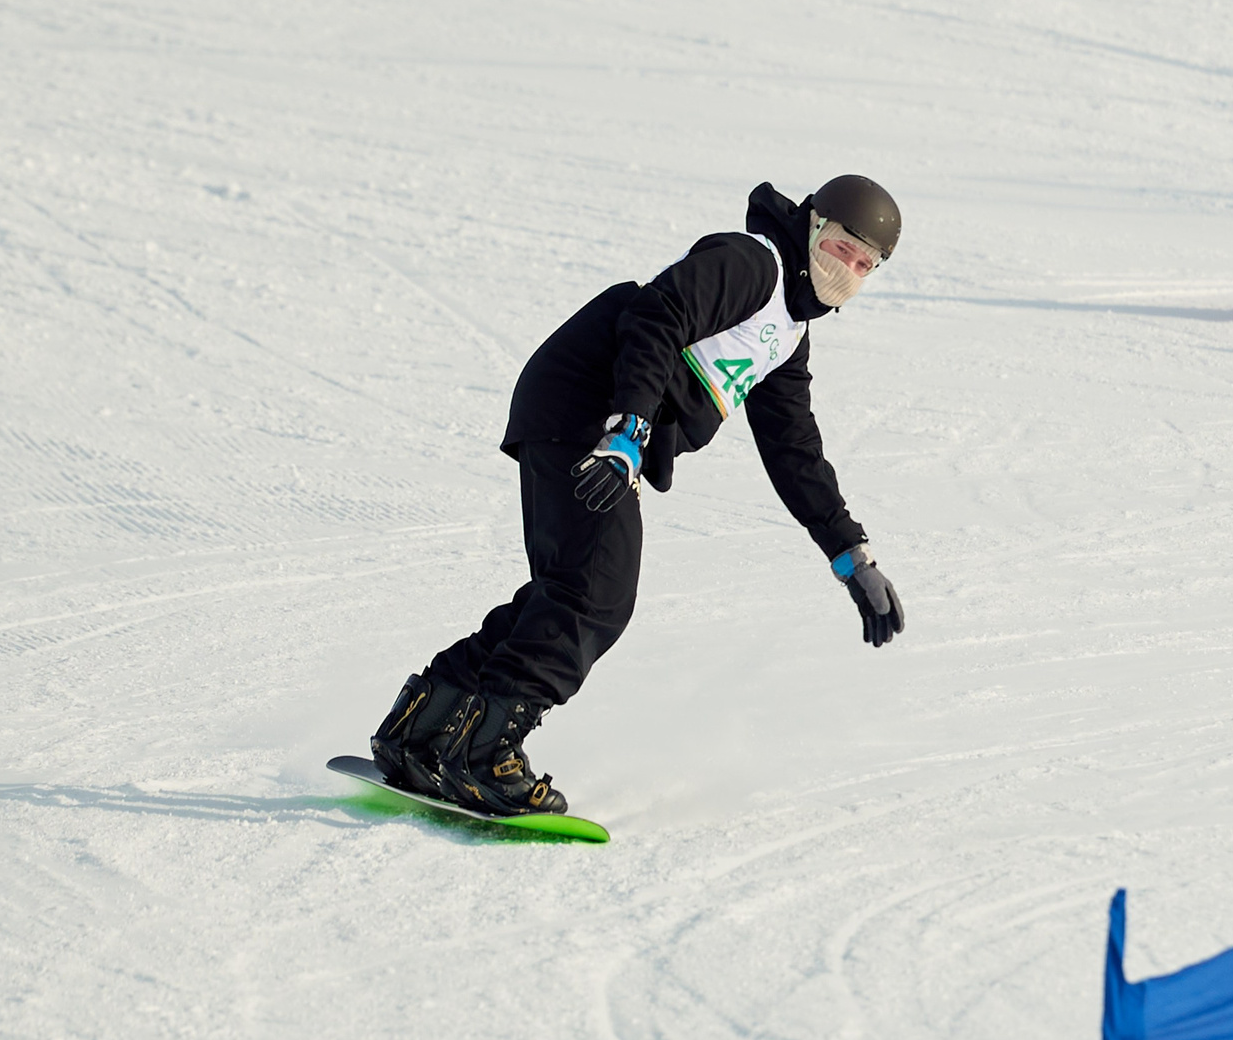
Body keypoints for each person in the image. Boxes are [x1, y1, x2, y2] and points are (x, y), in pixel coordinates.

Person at [367, 176, 909, 817]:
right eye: (844, 246)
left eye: (865, 264)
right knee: (594, 597)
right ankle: (484, 754)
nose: (848, 268)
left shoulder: (790, 329)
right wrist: (629, 427)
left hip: (583, 415)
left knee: (567, 591)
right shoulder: (750, 265)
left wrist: (850, 553)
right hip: (587, 410)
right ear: (816, 225)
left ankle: (426, 729)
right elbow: (656, 313)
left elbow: (795, 452)